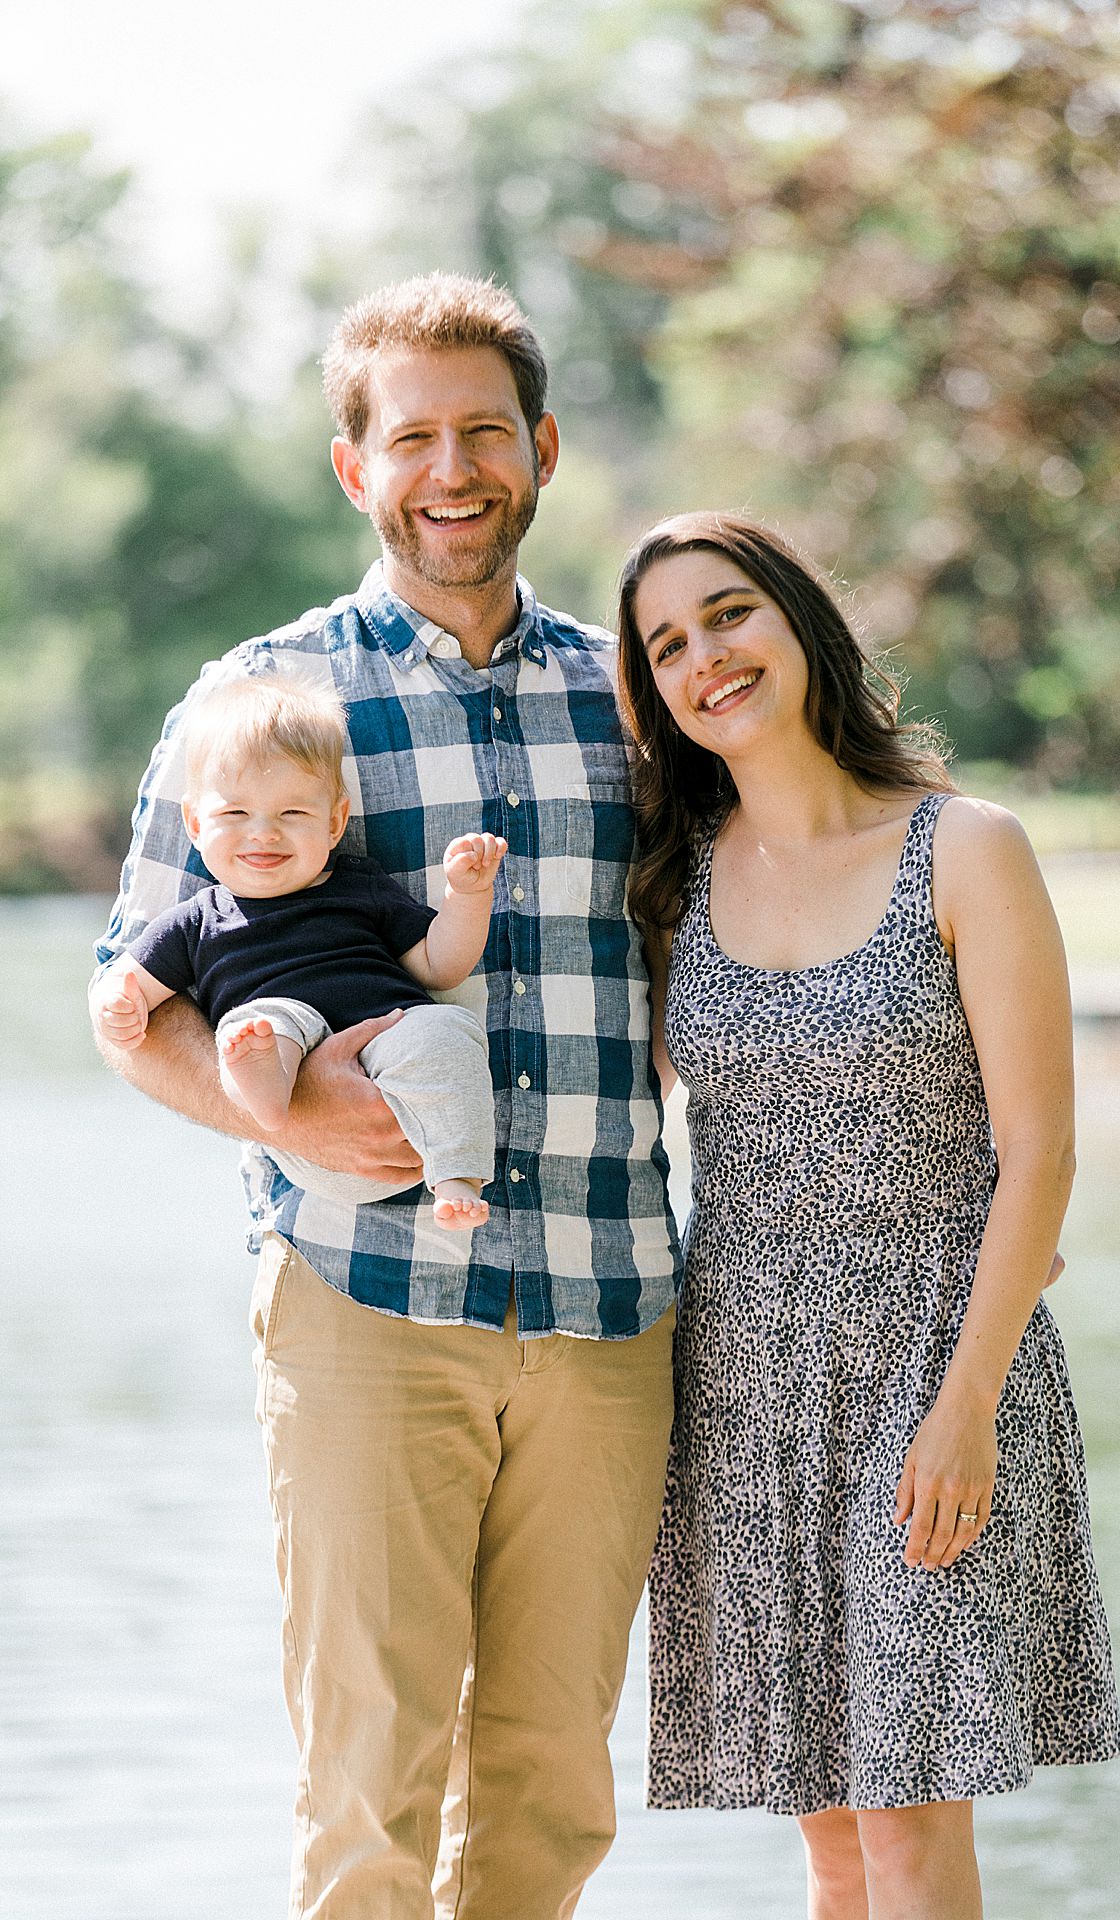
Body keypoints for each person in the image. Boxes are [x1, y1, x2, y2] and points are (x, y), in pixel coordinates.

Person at [93, 273, 681, 1920]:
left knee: (554, 1783)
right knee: (369, 1786)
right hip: (367, 1294)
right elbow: (128, 1008)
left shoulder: (635, 698)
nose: (452, 467)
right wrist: (281, 1119)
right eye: (410, 434)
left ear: (543, 448)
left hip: (611, 1300)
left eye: (483, 430)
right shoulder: (255, 701)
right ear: (355, 467)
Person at [615, 512, 1120, 1920]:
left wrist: (965, 1404)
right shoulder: (672, 888)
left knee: (907, 1825)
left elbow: (1042, 1153)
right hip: (742, 1377)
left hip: (938, 1363)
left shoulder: (967, 848)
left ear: (795, 622)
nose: (707, 657)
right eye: (668, 646)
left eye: (728, 615)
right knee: (830, 1834)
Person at [89, 675, 506, 1228]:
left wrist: (468, 896)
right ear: (195, 823)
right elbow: (128, 985)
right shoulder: (197, 919)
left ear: (334, 822)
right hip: (310, 1134)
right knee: (265, 1022)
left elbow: (442, 964)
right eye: (235, 814)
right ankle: (263, 1090)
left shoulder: (359, 885)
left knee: (445, 1026)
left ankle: (457, 1179)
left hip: (396, 1072)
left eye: (292, 815)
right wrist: (117, 1005)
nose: (263, 833)